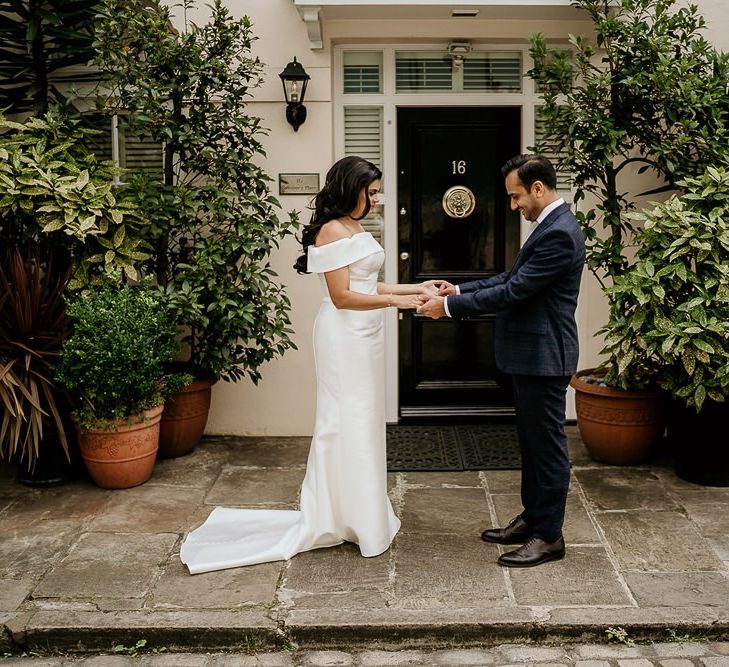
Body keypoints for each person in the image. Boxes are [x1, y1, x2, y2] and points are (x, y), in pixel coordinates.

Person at [180, 155, 433, 574]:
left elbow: (369, 284)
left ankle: (361, 514)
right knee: (345, 419)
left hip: (367, 335)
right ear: (349, 188)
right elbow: (342, 297)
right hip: (344, 335)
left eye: (376, 193)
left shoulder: (355, 227)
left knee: (364, 419)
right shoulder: (331, 230)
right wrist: (398, 303)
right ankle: (339, 516)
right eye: (369, 192)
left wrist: (416, 286)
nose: (374, 200)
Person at [417, 154, 585, 568]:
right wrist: (458, 289)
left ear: (538, 188)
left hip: (545, 356)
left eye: (516, 197)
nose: (514, 206)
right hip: (530, 356)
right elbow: (510, 278)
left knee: (546, 448)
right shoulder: (548, 227)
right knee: (531, 444)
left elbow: (515, 292)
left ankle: (549, 536)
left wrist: (451, 308)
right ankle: (533, 518)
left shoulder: (560, 233)